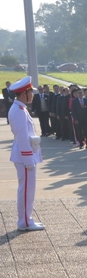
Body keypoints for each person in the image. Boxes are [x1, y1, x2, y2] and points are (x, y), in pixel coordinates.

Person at [8, 77, 44, 231]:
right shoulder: (19, 111)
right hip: (25, 156)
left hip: (26, 154)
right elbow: (22, 138)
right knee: (26, 190)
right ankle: (24, 222)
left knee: (28, 189)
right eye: (31, 93)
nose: (33, 95)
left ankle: (27, 219)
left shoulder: (20, 109)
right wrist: (29, 160)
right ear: (24, 94)